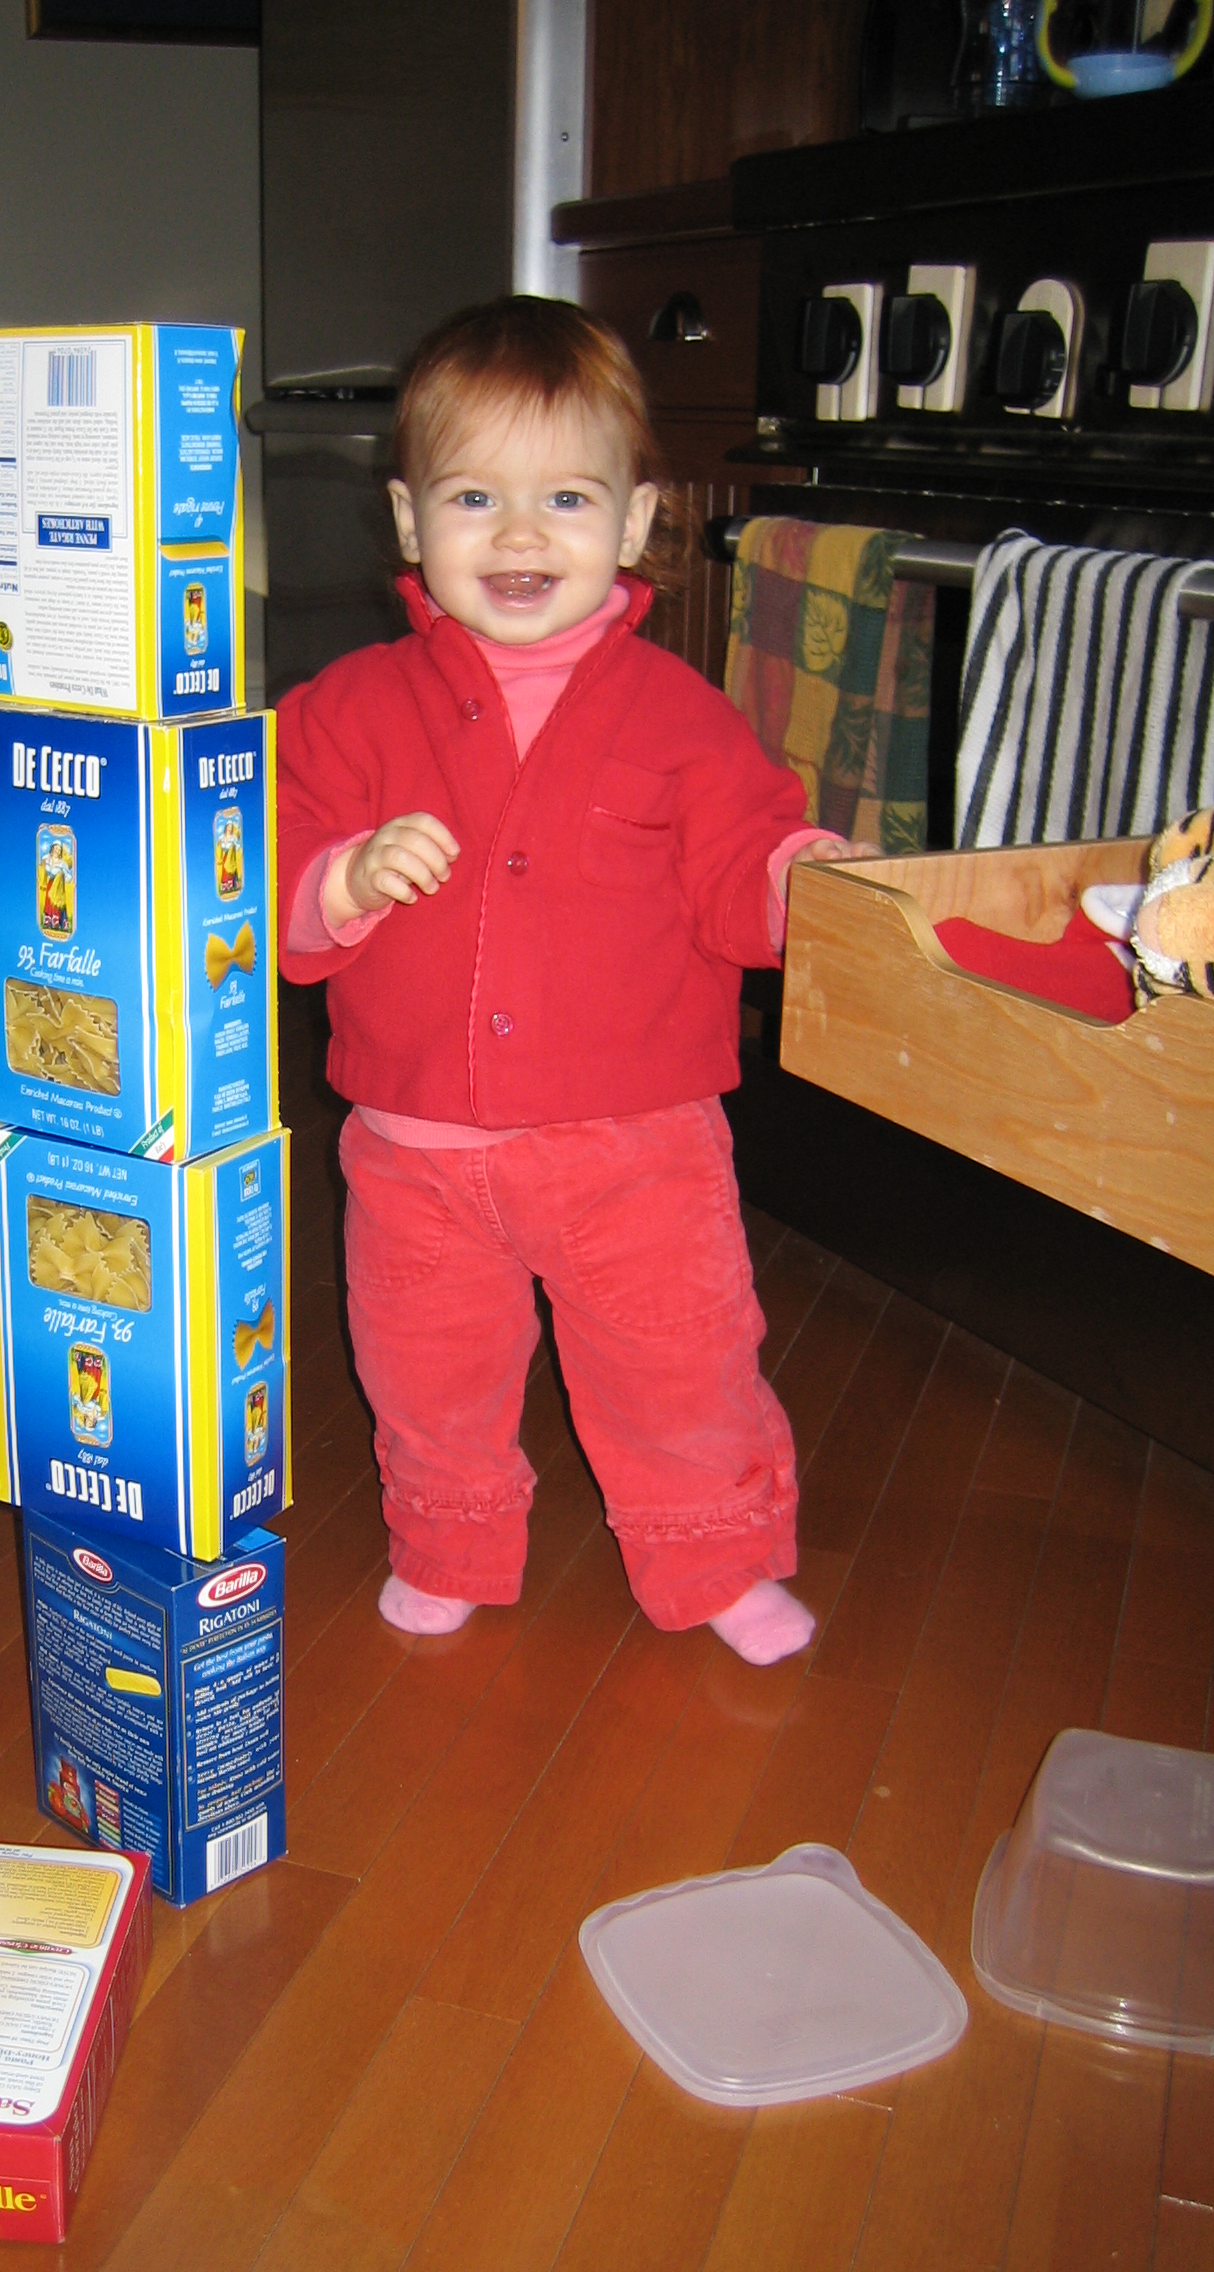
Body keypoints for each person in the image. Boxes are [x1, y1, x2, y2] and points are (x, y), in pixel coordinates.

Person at [276, 296, 863, 1665]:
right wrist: (343, 879)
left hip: (635, 1145)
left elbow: (745, 865)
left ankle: (715, 1555)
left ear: (639, 521)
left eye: (569, 499)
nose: (522, 536)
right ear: (410, 522)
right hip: (415, 1144)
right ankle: (449, 1539)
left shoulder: (683, 717)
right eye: (475, 498)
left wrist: (809, 880)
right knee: (425, 1370)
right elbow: (266, 889)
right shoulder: (346, 709)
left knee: (678, 1361)